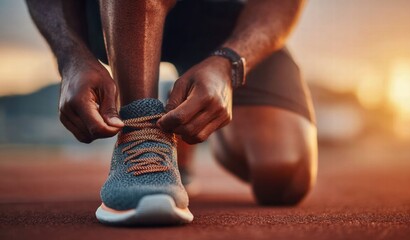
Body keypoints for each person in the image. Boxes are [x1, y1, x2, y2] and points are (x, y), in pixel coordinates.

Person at [26, 0, 318, 225]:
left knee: (283, 179)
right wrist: (70, 57)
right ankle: (142, 131)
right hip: (113, 13)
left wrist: (228, 64)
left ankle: (181, 116)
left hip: (225, 20)